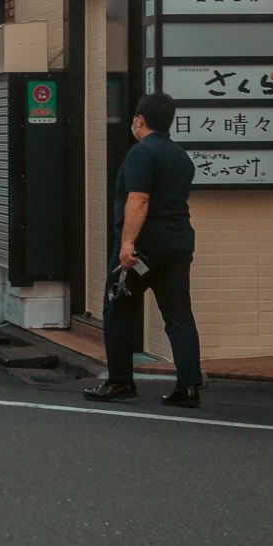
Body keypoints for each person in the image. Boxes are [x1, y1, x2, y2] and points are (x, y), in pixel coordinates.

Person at [85, 91, 202, 408]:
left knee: (119, 309)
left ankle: (120, 382)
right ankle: (189, 387)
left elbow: (139, 199)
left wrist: (127, 243)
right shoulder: (180, 156)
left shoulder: (141, 153)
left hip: (142, 250)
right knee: (178, 316)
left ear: (140, 120)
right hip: (177, 245)